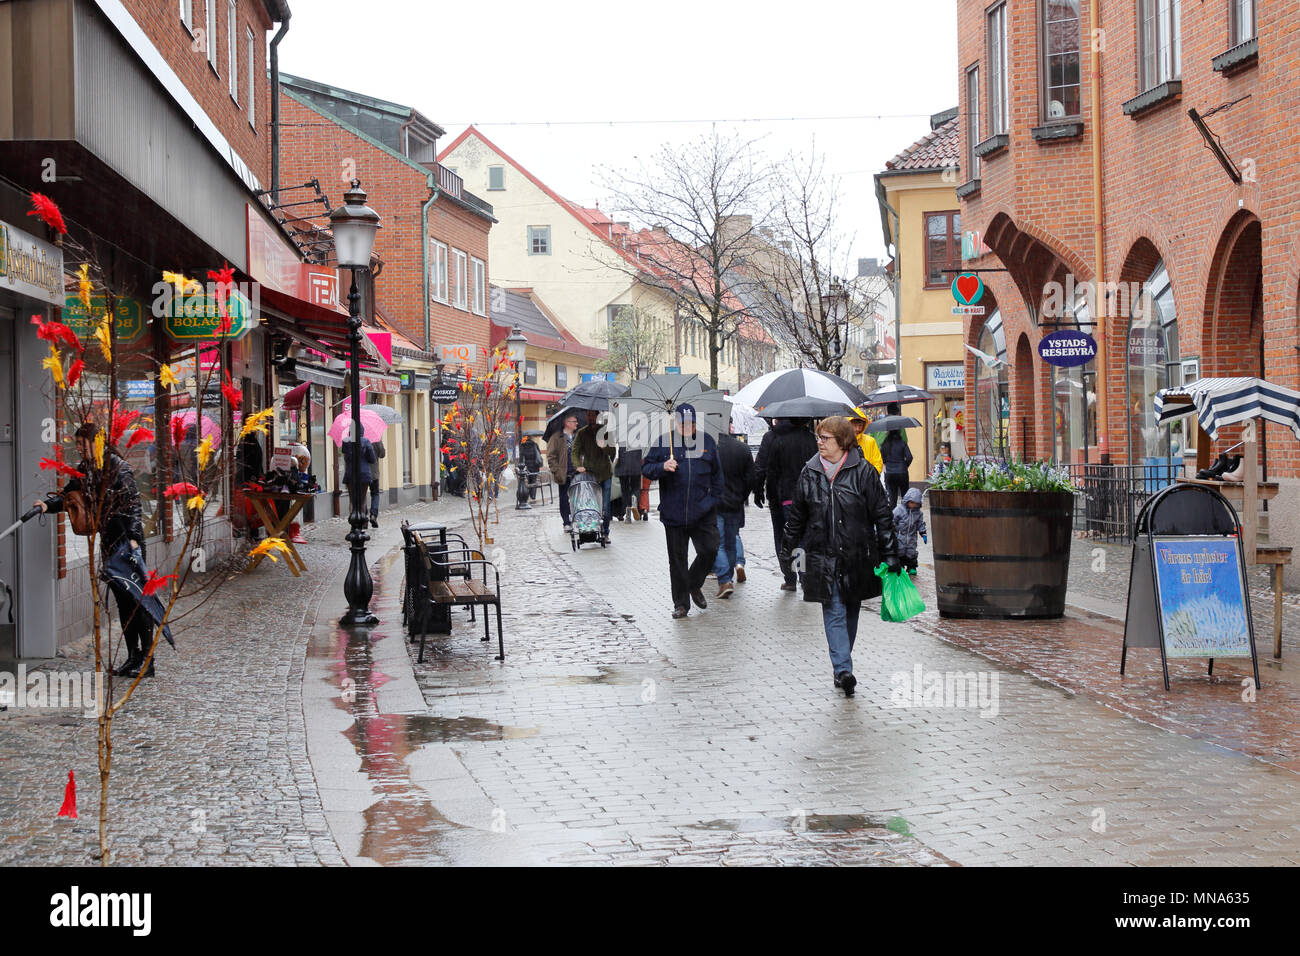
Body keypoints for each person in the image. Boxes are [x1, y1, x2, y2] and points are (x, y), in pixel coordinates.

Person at [781, 416, 899, 698]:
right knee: (833, 609)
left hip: (857, 555)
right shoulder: (809, 472)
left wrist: (891, 553)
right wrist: (789, 552)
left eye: (826, 438)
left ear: (843, 441)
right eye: (819, 437)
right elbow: (796, 517)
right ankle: (843, 669)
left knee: (851, 610)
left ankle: (842, 661)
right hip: (822, 556)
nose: (819, 443)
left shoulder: (864, 472)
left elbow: (882, 517)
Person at [35, 423, 160, 678]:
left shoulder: (117, 467)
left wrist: (134, 540)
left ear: (97, 443)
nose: (79, 449)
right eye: (77, 444)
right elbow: (71, 497)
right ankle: (133, 656)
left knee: (137, 601)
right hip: (108, 543)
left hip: (128, 543)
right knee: (123, 604)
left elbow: (133, 505)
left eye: (83, 444)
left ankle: (148, 659)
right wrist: (48, 506)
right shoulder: (85, 470)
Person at [643, 408, 723, 619]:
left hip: (703, 511)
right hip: (674, 512)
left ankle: (694, 583)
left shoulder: (707, 442)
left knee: (711, 548)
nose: (688, 428)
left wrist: (712, 500)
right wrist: (662, 466)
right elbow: (647, 469)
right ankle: (681, 604)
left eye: (692, 423)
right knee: (677, 560)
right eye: (684, 424)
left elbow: (717, 476)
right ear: (676, 423)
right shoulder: (664, 442)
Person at [752, 418, 818, 591]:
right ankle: (804, 577)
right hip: (806, 498)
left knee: (783, 540)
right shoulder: (810, 438)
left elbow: (763, 468)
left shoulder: (772, 438)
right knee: (802, 539)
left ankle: (790, 578)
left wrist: (759, 492)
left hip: (782, 499)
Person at [712, 428, 754, 599]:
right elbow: (751, 477)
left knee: (716, 543)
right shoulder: (741, 448)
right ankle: (731, 572)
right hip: (734, 503)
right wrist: (741, 496)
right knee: (730, 541)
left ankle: (725, 578)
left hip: (714, 503)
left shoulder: (708, 448)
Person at [572, 409, 616, 543]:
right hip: (589, 474)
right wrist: (578, 465)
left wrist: (604, 446)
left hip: (605, 473)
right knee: (590, 505)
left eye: (592, 415)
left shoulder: (606, 431)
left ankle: (605, 532)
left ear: (598, 416)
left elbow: (613, 452)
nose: (590, 417)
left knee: (605, 507)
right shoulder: (582, 433)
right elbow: (575, 452)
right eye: (588, 415)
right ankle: (591, 529)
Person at [546, 412, 581, 533]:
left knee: (578, 498)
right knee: (564, 498)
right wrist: (556, 470)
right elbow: (550, 456)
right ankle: (566, 522)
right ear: (567, 423)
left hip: (578, 472)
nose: (576, 423)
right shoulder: (556, 437)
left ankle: (577, 520)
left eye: (576, 421)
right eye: (574, 421)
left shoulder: (578, 436)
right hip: (564, 473)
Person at [341, 432, 378, 531]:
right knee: (362, 500)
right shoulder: (366, 441)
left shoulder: (345, 441)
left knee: (352, 500)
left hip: (350, 473)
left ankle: (353, 524)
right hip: (364, 473)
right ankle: (361, 524)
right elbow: (372, 459)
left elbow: (345, 456)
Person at [893, 488, 927, 574]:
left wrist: (923, 533)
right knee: (900, 551)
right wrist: (894, 531)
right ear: (907, 500)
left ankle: (912, 566)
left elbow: (920, 523)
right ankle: (899, 566)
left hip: (912, 536)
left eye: (916, 503)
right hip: (900, 536)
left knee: (911, 552)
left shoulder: (918, 513)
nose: (913, 505)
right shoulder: (899, 510)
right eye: (911, 502)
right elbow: (892, 520)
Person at [880, 429, 913, 508]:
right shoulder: (902, 443)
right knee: (905, 497)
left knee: (892, 498)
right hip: (902, 472)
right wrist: (905, 466)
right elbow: (909, 457)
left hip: (890, 473)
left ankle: (893, 518)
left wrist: (887, 466)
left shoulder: (884, 444)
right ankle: (906, 516)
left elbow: (881, 459)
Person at [848, 407, 885, 476]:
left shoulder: (870, 441)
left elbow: (878, 463)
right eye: (855, 425)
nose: (858, 429)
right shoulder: (842, 441)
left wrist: (870, 477)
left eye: (860, 426)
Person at [614, 444, 644, 521]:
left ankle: (627, 514)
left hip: (622, 463)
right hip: (636, 464)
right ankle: (634, 503)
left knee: (625, 490)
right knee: (636, 487)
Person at [520, 434, 543, 501]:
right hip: (535, 465)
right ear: (532, 438)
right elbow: (539, 454)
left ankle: (530, 494)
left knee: (529, 479)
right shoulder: (535, 445)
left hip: (527, 465)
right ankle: (533, 495)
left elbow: (521, 455)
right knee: (534, 479)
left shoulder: (523, 445)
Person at [369, 440, 385, 527]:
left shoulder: (358, 437)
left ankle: (363, 520)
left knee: (362, 497)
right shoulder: (375, 438)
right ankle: (373, 515)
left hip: (361, 473)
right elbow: (382, 454)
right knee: (375, 494)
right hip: (373, 473)